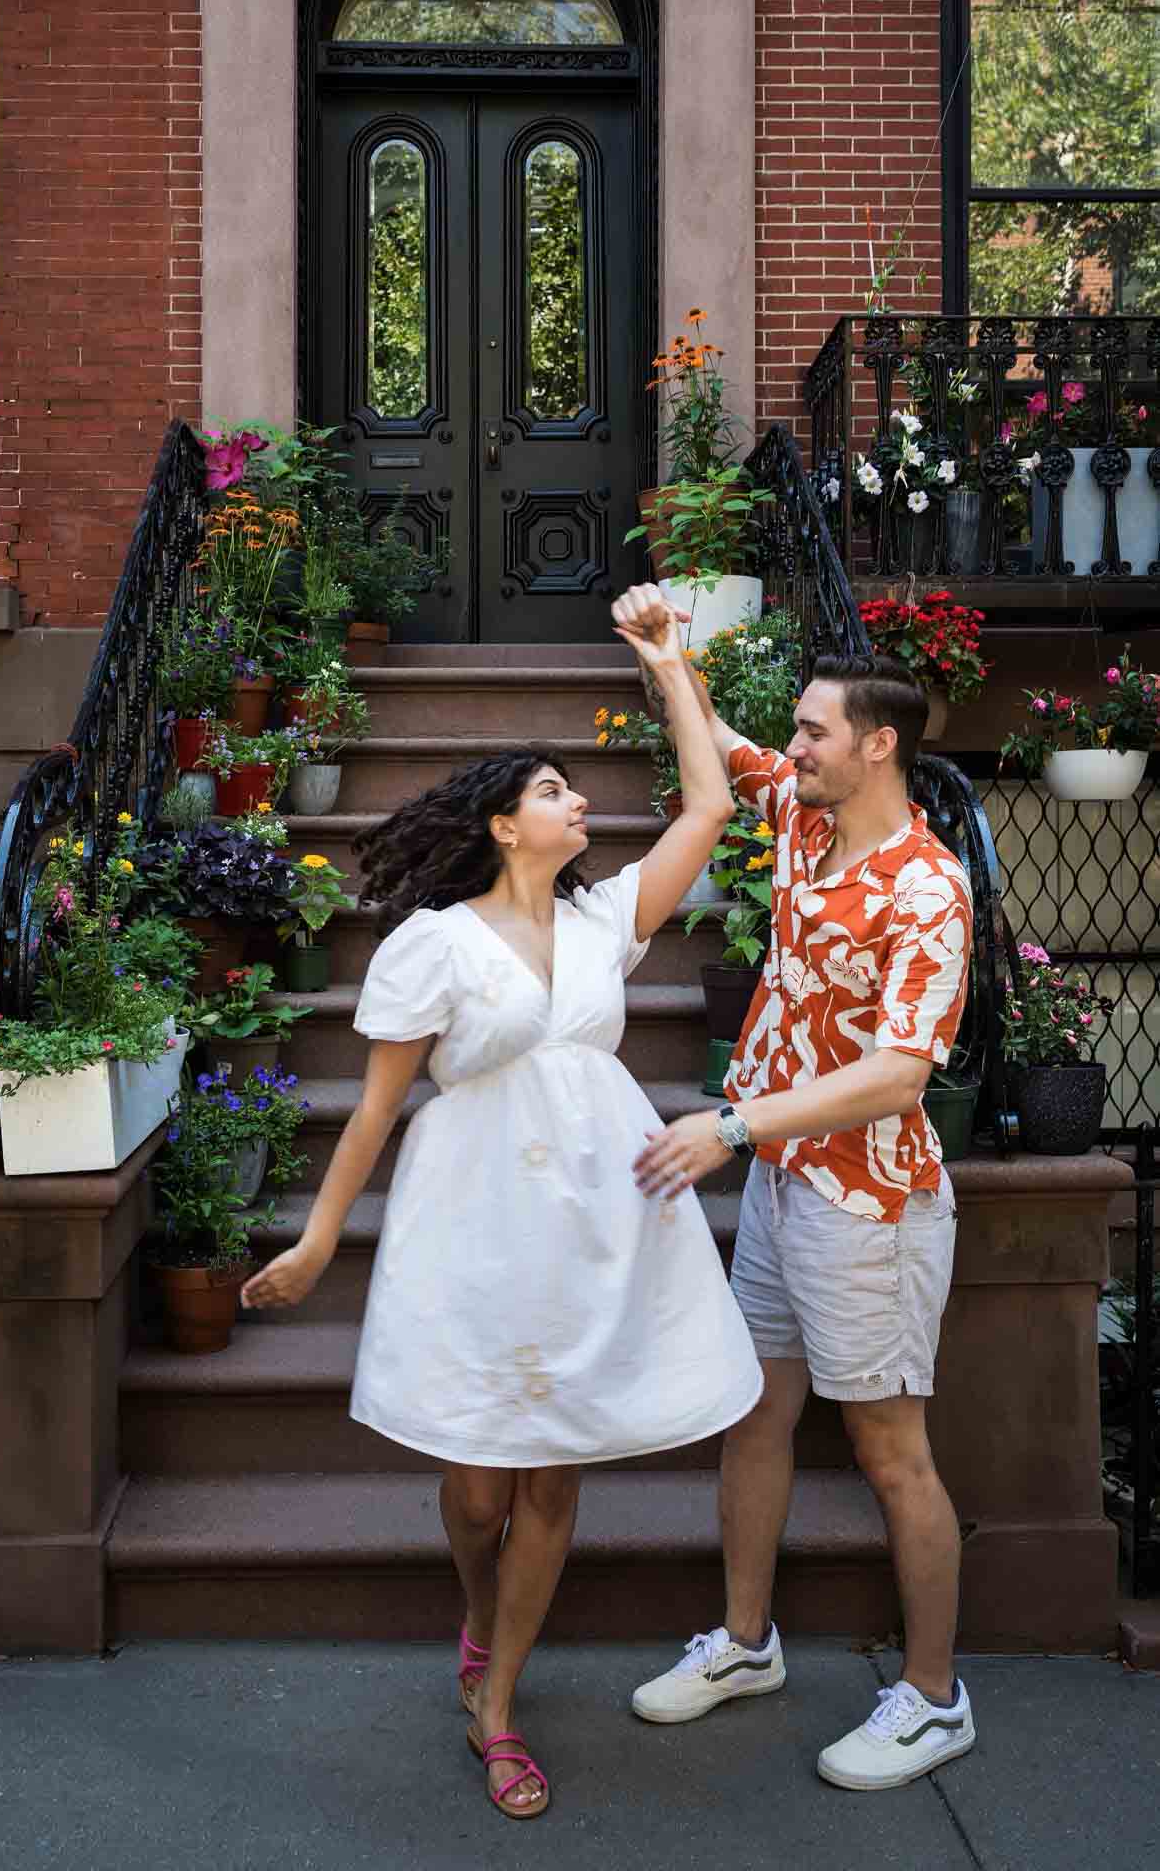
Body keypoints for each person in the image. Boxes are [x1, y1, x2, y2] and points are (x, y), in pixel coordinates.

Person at [240, 602, 762, 1822]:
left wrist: (671, 666)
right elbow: (369, 1112)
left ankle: (500, 1698)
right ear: (500, 821)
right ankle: (480, 1613)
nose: (578, 803)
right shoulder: (429, 943)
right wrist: (318, 1237)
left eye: (575, 790)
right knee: (479, 1489)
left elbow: (709, 809)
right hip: (472, 1219)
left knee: (552, 1482)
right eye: (552, 788)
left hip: (600, 1220)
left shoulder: (601, 924)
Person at [616, 583, 977, 1793]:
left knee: (889, 1449)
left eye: (815, 729)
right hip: (781, 1180)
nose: (795, 744)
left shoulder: (927, 888)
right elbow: (723, 748)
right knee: (753, 1410)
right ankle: (744, 1642)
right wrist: (670, 659)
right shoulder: (810, 820)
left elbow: (897, 1074)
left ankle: (933, 1698)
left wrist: (732, 1122)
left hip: (867, 1202)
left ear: (879, 743)